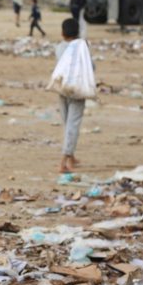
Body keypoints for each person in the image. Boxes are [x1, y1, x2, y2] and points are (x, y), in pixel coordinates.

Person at [54, 18, 92, 174]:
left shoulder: (59, 48)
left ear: (62, 33)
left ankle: (71, 157)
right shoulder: (82, 47)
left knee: (66, 121)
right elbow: (90, 66)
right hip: (77, 90)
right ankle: (63, 161)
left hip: (62, 88)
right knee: (73, 124)